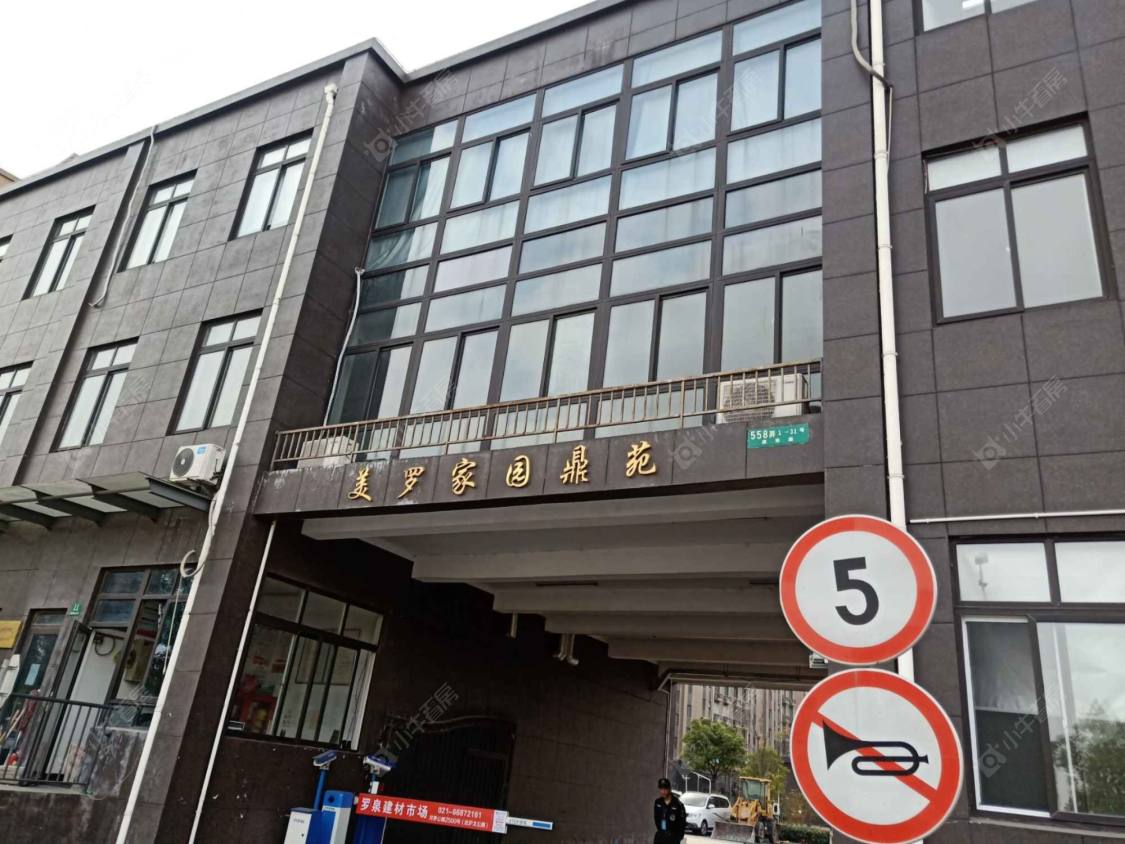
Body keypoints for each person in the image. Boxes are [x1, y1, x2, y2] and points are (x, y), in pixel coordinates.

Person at [653, 777, 687, 844]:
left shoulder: (678, 804)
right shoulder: (658, 802)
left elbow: (682, 824)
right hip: (660, 837)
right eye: (661, 789)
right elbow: (656, 819)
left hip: (672, 838)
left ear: (669, 789)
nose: (663, 791)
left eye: (665, 789)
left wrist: (677, 838)